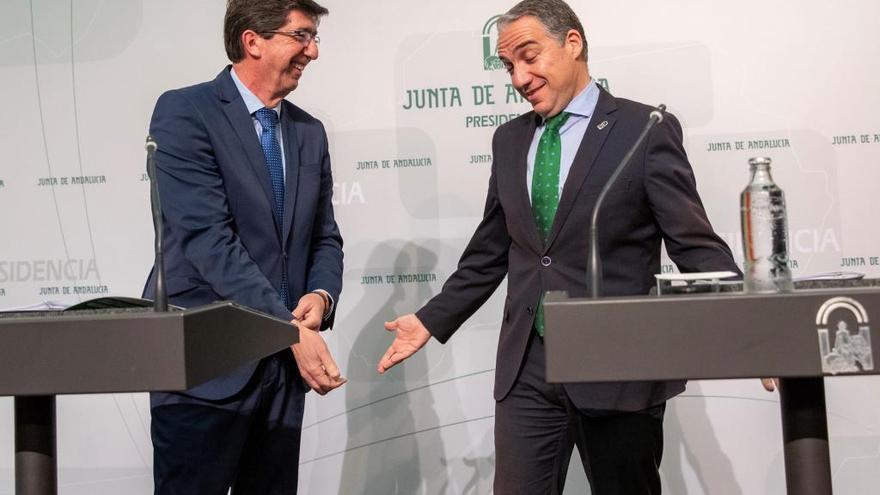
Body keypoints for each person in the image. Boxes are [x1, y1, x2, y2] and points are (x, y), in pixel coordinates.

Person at [377, 0, 739, 493]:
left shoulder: (644, 130)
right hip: (527, 368)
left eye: (529, 56)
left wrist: (750, 330)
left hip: (618, 366)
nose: (519, 77)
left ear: (573, 42)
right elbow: (489, 253)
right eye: (508, 66)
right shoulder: (508, 140)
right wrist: (429, 319)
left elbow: (694, 244)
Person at [142, 0, 345, 493]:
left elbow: (325, 237)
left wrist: (321, 296)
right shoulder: (185, 111)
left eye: (315, 37)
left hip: (279, 373)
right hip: (205, 363)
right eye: (301, 36)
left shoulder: (308, 132)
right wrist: (290, 329)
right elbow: (208, 240)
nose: (313, 51)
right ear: (252, 41)